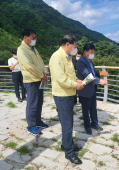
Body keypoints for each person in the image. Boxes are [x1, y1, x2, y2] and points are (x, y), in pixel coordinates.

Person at [49, 34, 84, 165]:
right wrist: (76, 85)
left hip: (68, 93)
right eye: (74, 46)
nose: (75, 49)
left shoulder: (67, 57)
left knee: (66, 123)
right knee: (68, 124)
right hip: (62, 95)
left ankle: (66, 144)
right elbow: (61, 79)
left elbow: (67, 75)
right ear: (67, 44)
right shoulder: (57, 57)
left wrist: (76, 80)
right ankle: (69, 153)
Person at [17, 28, 48, 135]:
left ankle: (38, 121)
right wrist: (41, 75)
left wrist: (45, 72)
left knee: (39, 102)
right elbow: (28, 66)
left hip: (40, 79)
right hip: (31, 80)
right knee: (32, 104)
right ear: (25, 37)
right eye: (32, 38)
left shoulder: (33, 49)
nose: (34, 39)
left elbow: (41, 62)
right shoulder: (21, 50)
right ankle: (31, 126)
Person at [76, 43, 109, 135]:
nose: (93, 53)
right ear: (85, 52)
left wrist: (101, 73)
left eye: (93, 52)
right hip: (84, 89)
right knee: (85, 110)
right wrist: (99, 81)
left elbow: (93, 72)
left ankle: (95, 123)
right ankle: (87, 127)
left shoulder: (89, 61)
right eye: (91, 52)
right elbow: (88, 76)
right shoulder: (81, 62)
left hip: (92, 88)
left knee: (93, 107)